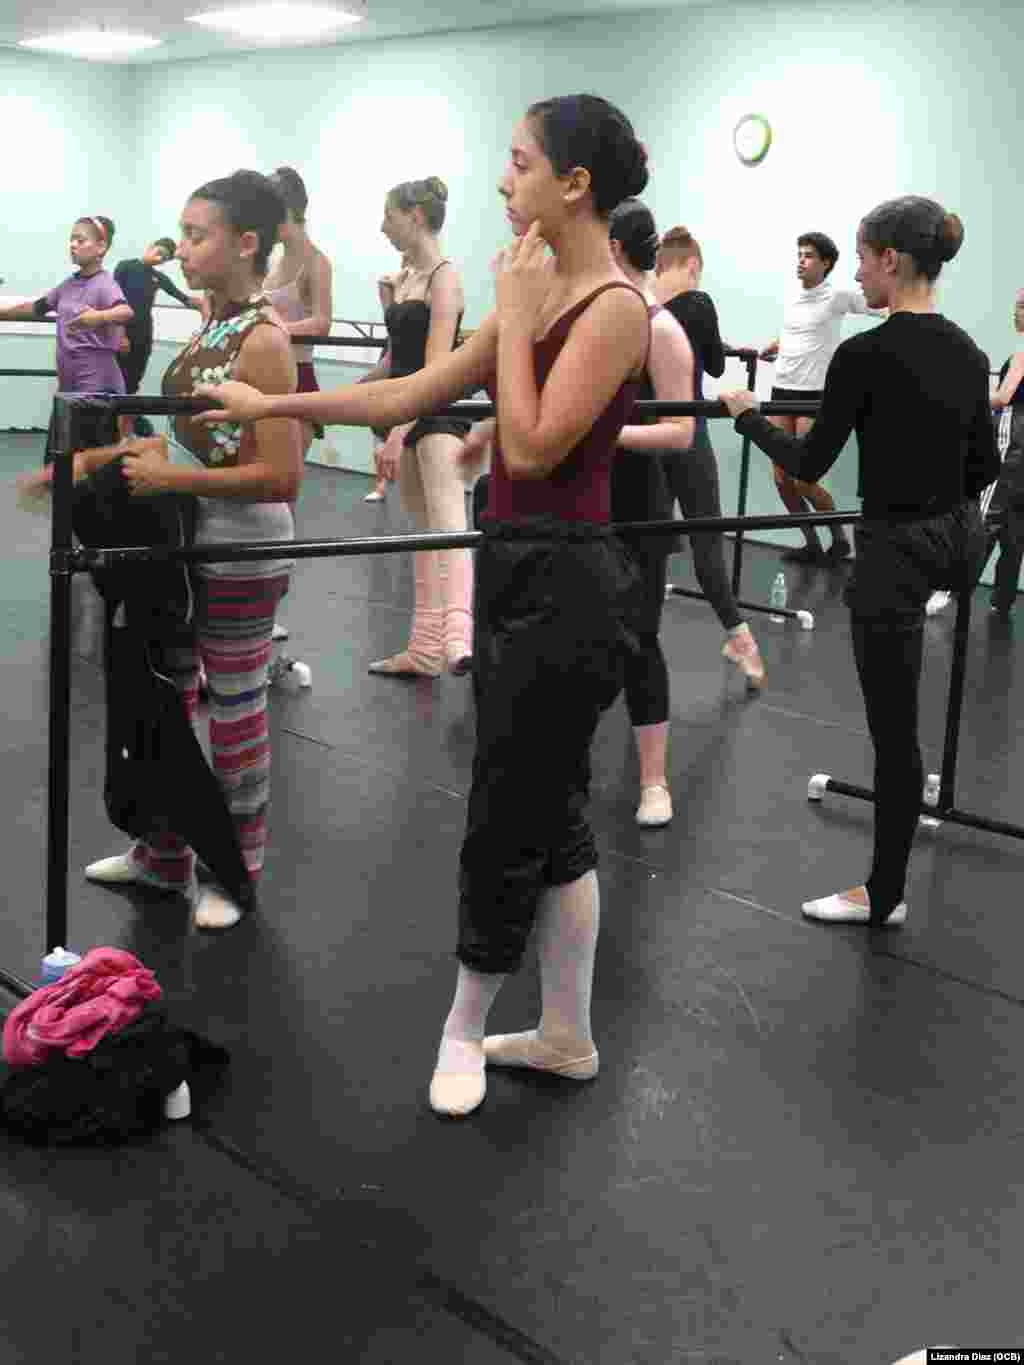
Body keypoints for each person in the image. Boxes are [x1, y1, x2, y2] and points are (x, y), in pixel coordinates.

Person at [194, 93, 652, 1114]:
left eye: (520, 161)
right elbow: (405, 395)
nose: (503, 179)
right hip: (520, 562)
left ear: (572, 185)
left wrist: (520, 318)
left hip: (571, 582)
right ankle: (567, 1034)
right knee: (553, 808)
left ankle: (464, 1024)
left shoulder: (614, 307)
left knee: (505, 810)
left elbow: (529, 448)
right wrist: (277, 405)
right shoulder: (536, 293)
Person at [22, 172, 303, 931]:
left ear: (246, 244)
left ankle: (233, 867)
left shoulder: (265, 338)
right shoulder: (211, 324)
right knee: (165, 704)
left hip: (240, 552)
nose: (182, 248)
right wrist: (90, 467)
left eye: (198, 234)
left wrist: (171, 474)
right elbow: (180, 434)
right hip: (182, 543)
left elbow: (282, 475)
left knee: (235, 714)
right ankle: (163, 853)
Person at [720, 196, 998, 928]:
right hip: (951, 541)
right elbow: (983, 465)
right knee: (903, 725)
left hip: (895, 553)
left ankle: (884, 893)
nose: (860, 273)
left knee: (893, 732)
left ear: (891, 261)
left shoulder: (865, 354)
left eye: (864, 257)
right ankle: (907, 822)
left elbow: (811, 457)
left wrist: (746, 413)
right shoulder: (969, 352)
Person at [606, 199, 694, 827]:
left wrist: (607, 437)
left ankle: (654, 781)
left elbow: (680, 433)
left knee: (639, 641)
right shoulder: (600, 320)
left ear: (613, 247)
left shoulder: (660, 329)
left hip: (637, 503)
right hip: (581, 500)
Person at [368, 176, 473, 677]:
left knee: (451, 528)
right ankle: (425, 650)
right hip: (406, 413)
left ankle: (458, 638)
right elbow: (399, 361)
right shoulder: (408, 277)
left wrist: (396, 431)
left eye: (388, 216)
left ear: (413, 215)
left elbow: (433, 372)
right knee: (423, 537)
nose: (382, 227)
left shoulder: (444, 278)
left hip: (435, 418)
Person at [654, 225, 765, 686]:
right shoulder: (698, 303)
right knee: (707, 547)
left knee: (646, 544)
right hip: (691, 435)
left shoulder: (646, 309)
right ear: (693, 266)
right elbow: (714, 366)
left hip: (651, 437)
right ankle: (741, 639)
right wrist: (722, 348)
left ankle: (633, 638)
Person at [757, 231, 885, 566]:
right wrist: (778, 344)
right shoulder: (792, 297)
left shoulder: (838, 296)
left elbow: (882, 308)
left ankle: (839, 539)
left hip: (814, 394)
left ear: (826, 263)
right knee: (782, 478)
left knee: (804, 478)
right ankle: (812, 542)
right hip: (782, 388)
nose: (801, 260)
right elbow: (799, 333)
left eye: (809, 255)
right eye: (799, 254)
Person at [263, 166, 333, 669]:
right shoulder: (272, 261)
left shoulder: (315, 261)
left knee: (283, 499)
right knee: (261, 499)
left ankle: (272, 604)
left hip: (300, 381)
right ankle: (259, 601)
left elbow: (323, 322)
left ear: (287, 210)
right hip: (267, 383)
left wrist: (276, 329)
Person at [0, 215, 134, 458]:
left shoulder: (105, 283)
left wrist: (97, 317)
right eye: (71, 239)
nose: (73, 244)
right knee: (57, 459)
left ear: (101, 247)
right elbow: (36, 307)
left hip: (95, 388)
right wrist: (3, 313)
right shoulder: (67, 286)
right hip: (68, 387)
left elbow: (125, 311)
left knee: (87, 461)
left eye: (80, 240)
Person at [114, 238, 206, 435]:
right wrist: (120, 335)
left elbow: (184, 298)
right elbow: (114, 300)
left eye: (164, 257)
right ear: (150, 246)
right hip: (121, 333)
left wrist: (206, 304)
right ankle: (108, 432)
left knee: (132, 383)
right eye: (159, 251)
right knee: (116, 381)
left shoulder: (158, 278)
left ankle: (125, 433)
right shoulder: (126, 266)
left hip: (143, 335)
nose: (159, 258)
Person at [984, 287, 1024, 620]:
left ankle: (952, 589)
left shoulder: (1023, 353)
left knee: (987, 517)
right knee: (1015, 526)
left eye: (1023, 306)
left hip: (1014, 445)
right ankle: (1002, 599)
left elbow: (1003, 397)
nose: (1016, 311)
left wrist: (965, 398)